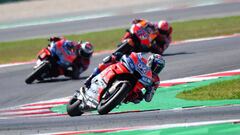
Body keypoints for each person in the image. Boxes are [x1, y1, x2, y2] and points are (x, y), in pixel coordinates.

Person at [84, 19, 172, 87]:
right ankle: (92, 76)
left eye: (163, 32)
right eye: (160, 30)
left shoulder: (167, 39)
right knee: (111, 59)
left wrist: (154, 46)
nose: (160, 32)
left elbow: (160, 50)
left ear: (166, 31)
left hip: (142, 50)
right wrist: (136, 22)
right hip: (138, 37)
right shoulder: (152, 26)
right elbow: (138, 21)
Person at [78, 53, 165, 110]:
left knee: (139, 98)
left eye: (158, 68)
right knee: (109, 60)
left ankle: (117, 99)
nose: (155, 69)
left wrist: (151, 89)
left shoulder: (156, 80)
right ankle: (90, 79)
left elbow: (148, 99)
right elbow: (132, 56)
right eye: (155, 65)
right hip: (129, 74)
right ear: (150, 61)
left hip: (134, 88)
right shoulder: (142, 60)